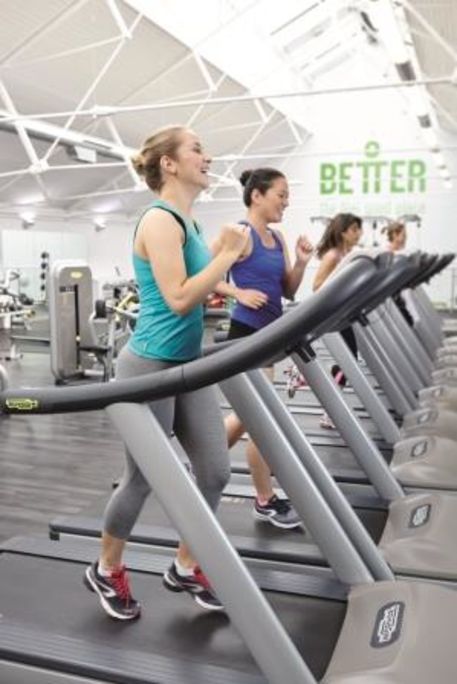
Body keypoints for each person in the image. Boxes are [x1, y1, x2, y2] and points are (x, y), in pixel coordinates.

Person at [84, 125, 250, 619]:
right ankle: (106, 568)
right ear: (170, 164)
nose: (209, 155)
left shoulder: (190, 222)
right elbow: (178, 299)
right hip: (148, 364)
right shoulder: (159, 221)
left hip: (187, 362)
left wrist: (223, 266)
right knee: (142, 478)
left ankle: (184, 565)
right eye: (198, 148)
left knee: (216, 471)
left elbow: (197, 290)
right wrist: (225, 255)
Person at [213, 168, 313, 529]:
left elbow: (287, 289)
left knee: (247, 417)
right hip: (245, 333)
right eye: (281, 195)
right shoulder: (237, 233)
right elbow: (201, 273)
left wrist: (301, 262)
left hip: (270, 336)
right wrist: (238, 292)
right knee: (261, 420)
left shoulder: (277, 237)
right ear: (257, 195)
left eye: (287, 196)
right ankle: (264, 499)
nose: (286, 202)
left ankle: (204, 462)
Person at [313, 213, 362, 429]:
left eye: (359, 229)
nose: (358, 233)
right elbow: (317, 286)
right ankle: (329, 411)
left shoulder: (347, 254)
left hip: (344, 313)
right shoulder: (333, 255)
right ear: (343, 232)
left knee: (348, 361)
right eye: (354, 229)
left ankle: (332, 409)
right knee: (348, 362)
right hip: (334, 316)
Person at [382, 221, 414, 326]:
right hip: (389, 299)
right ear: (395, 235)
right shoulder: (387, 254)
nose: (406, 238)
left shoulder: (398, 254)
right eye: (403, 235)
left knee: (409, 320)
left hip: (397, 296)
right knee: (408, 321)